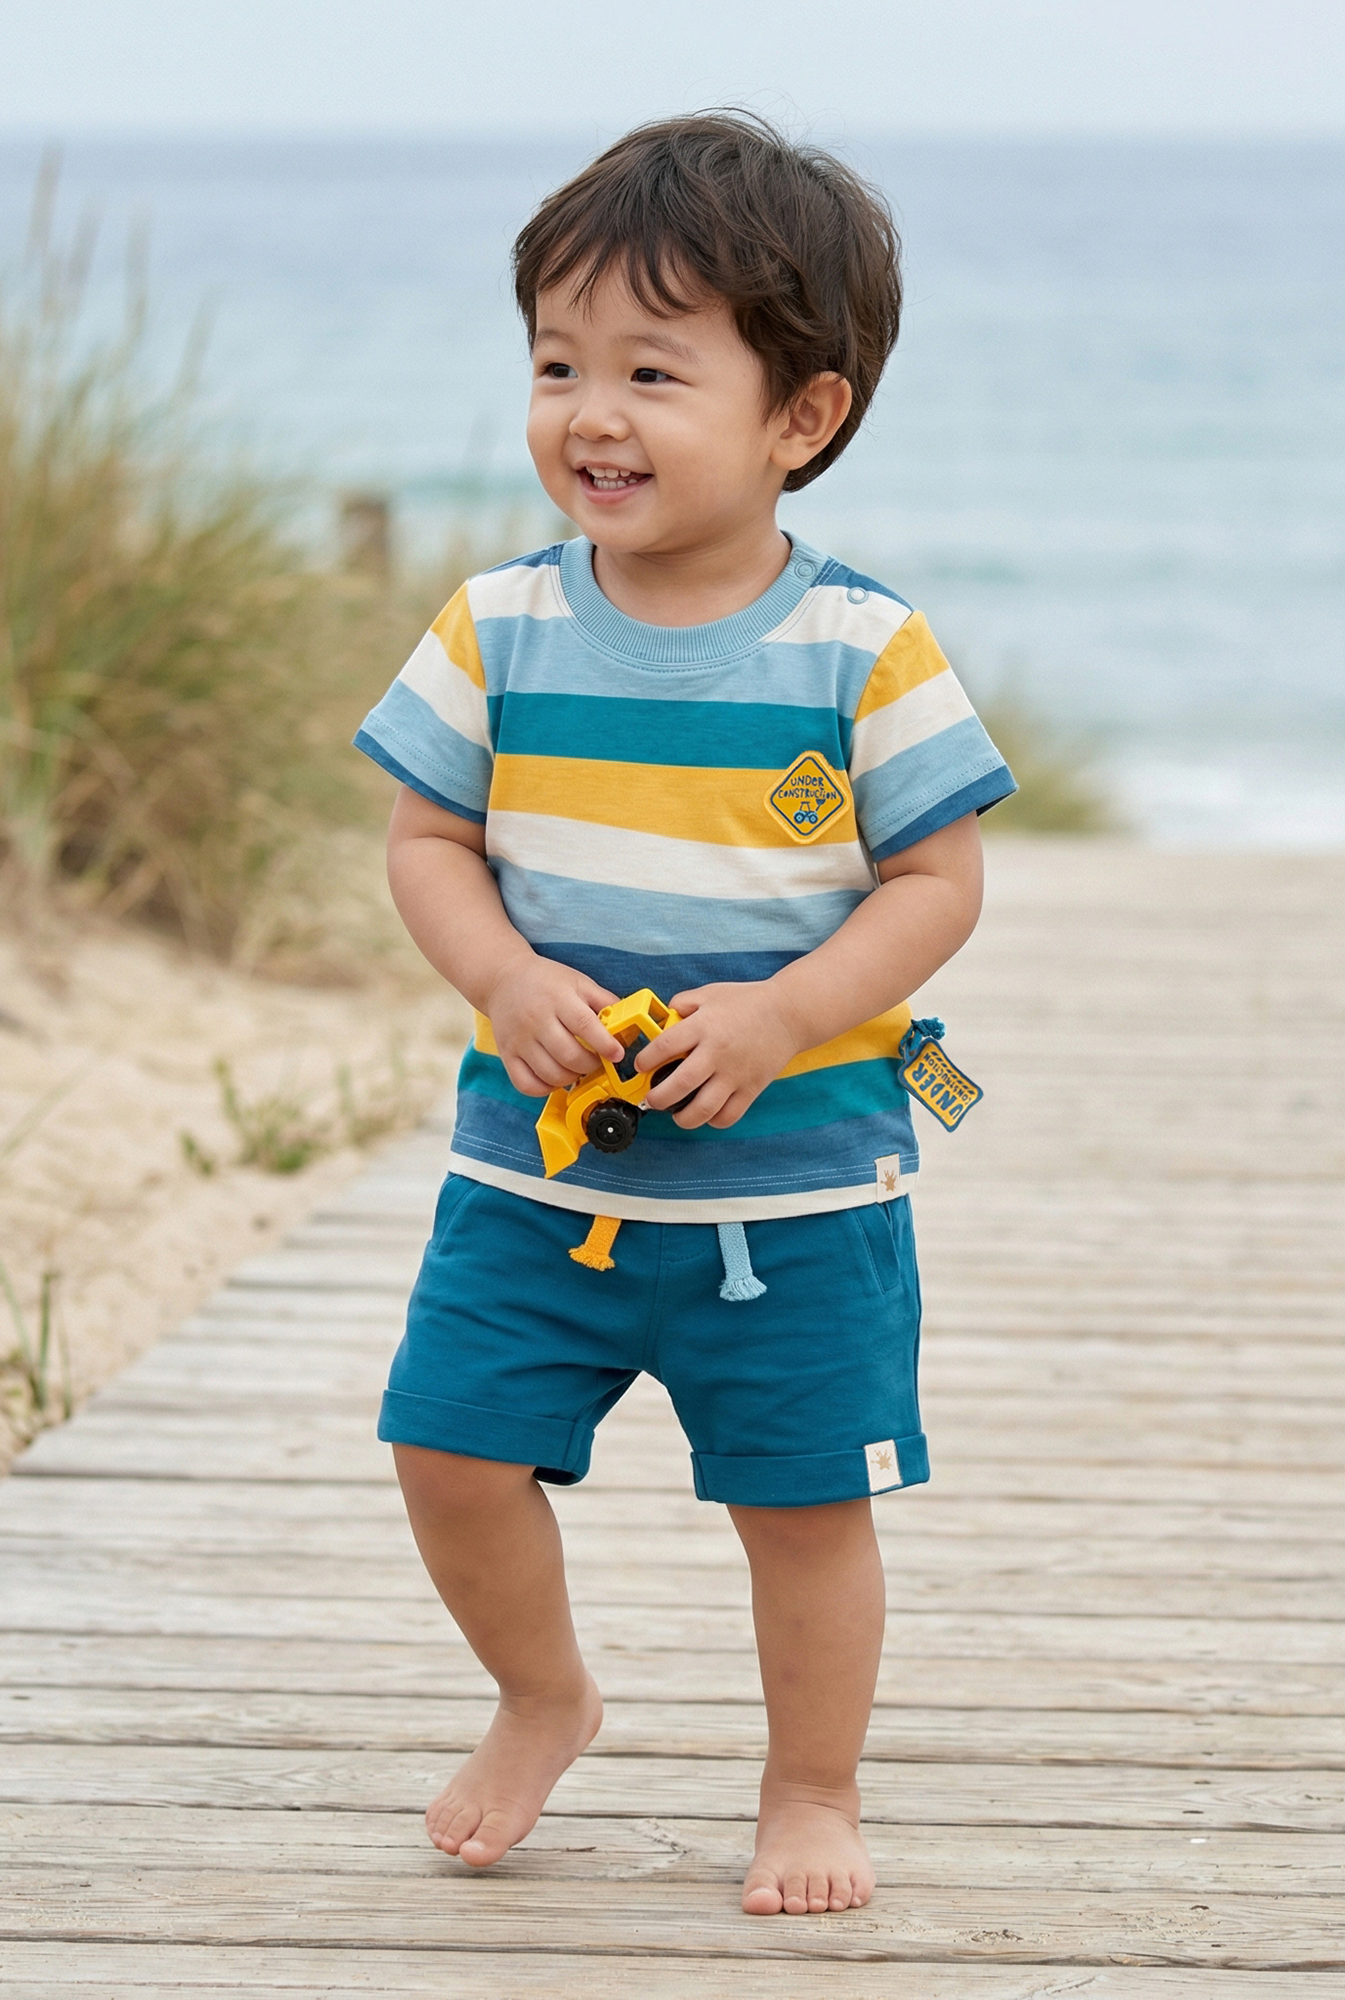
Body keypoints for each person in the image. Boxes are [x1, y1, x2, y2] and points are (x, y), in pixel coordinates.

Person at [352, 109, 1015, 1918]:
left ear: (802, 415)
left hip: (792, 1197)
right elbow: (427, 842)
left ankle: (810, 1787)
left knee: (802, 1504)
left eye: (654, 371)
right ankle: (542, 1692)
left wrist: (792, 1012)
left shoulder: (858, 650)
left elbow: (938, 886)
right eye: (559, 364)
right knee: (447, 1445)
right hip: (535, 1183)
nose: (593, 414)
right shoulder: (496, 629)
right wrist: (499, 973)